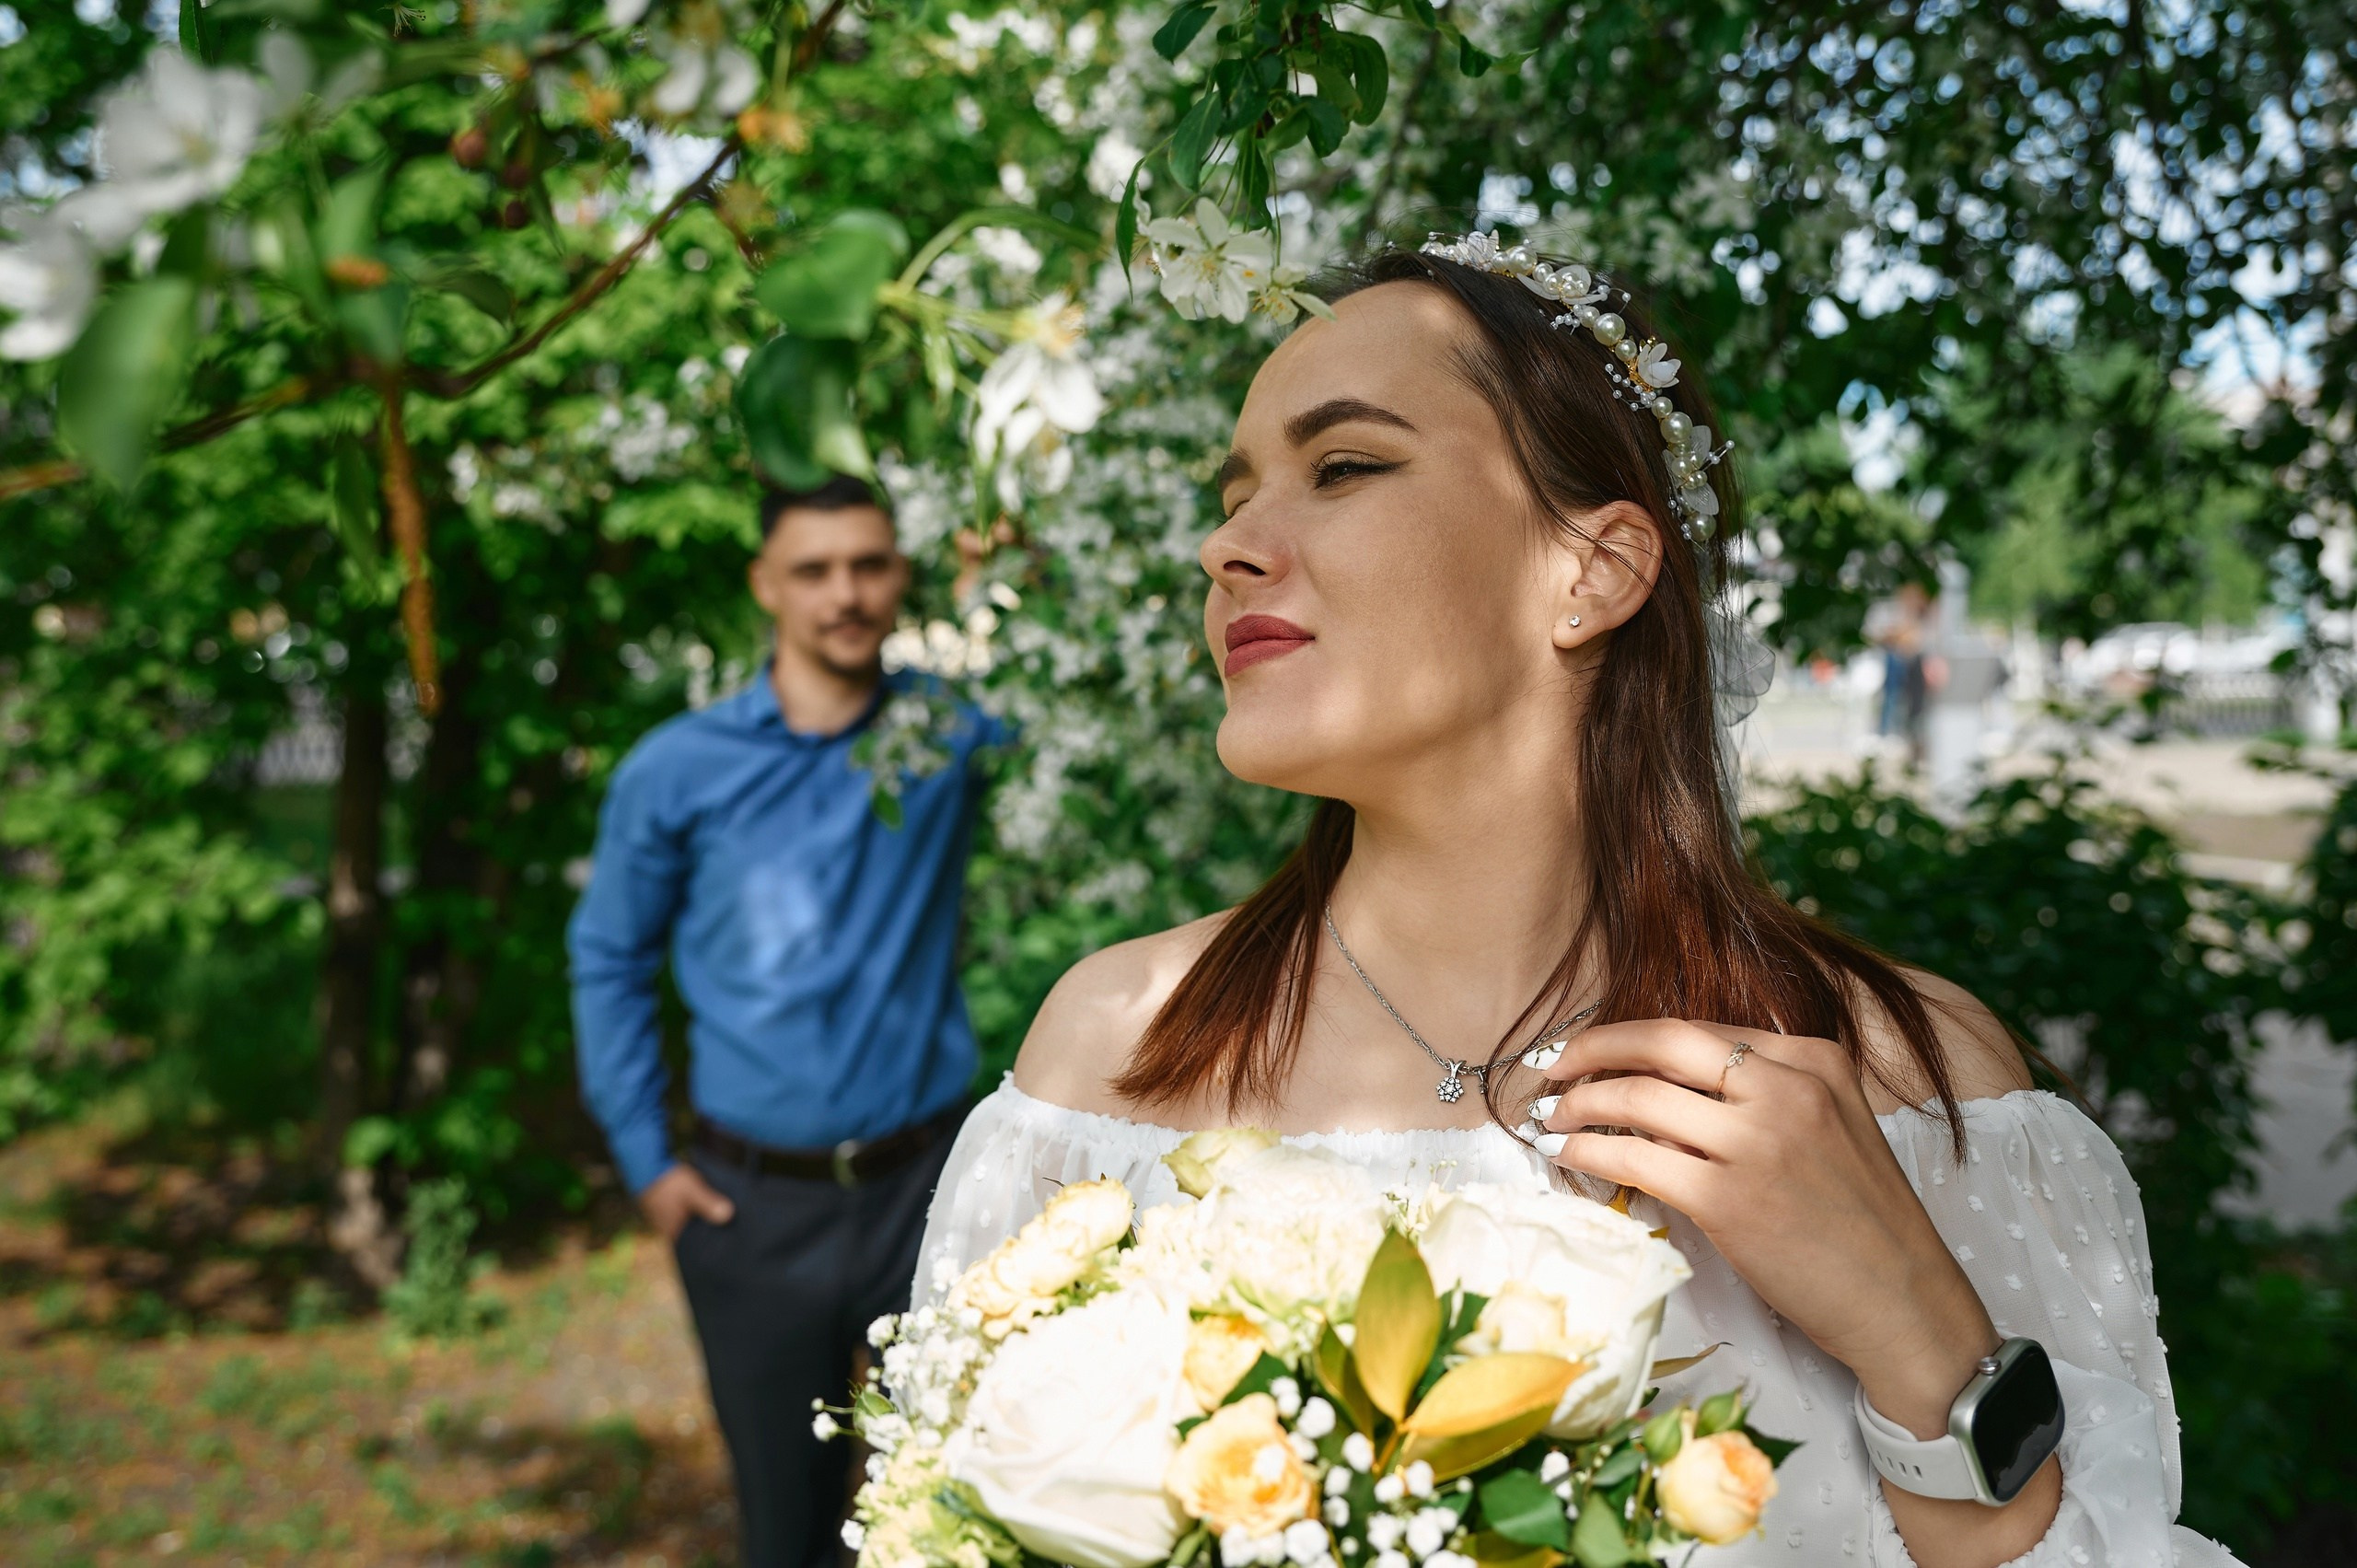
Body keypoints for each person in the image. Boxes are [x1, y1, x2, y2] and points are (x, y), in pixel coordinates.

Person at [914, 244, 2240, 1568]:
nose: (1227, 547)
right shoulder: (1116, 1059)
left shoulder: (1902, 1079)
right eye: (1236, 493)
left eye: (1344, 466)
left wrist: (1913, 1322)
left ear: (1593, 568)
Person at [569, 475, 997, 1568]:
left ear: (901, 575)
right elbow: (609, 959)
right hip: (748, 1210)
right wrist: (646, 1163)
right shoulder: (676, 768)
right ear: (766, 583)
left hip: (928, 1195)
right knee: (786, 1531)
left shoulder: (946, 731)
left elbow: (1083, 690)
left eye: (869, 564)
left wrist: (1013, 563)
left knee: (958, 1516)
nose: (844, 593)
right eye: (814, 569)